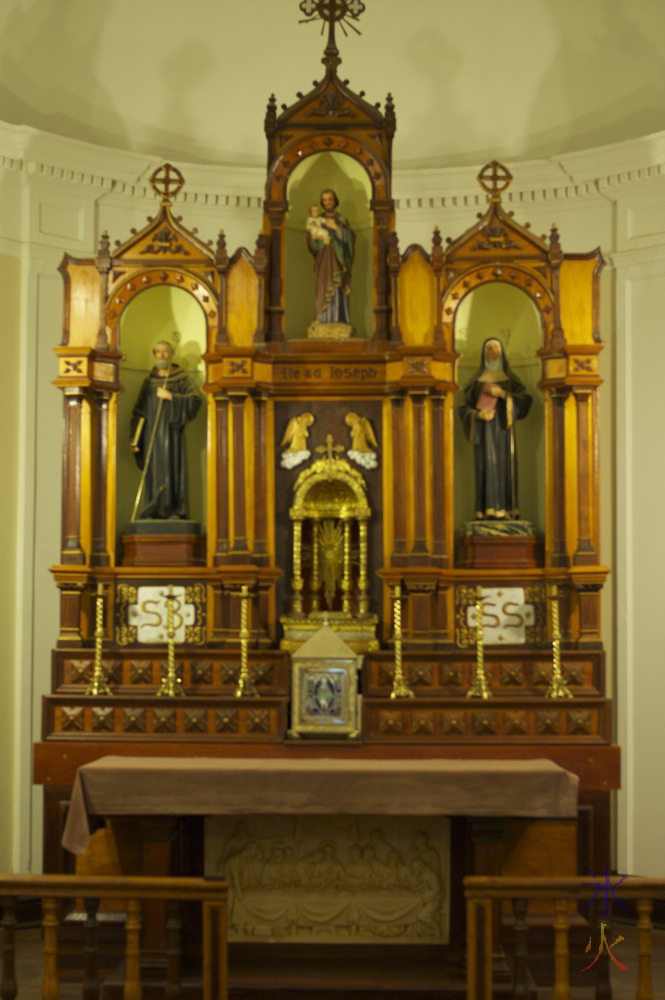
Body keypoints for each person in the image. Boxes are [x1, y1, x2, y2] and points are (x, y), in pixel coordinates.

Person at [459, 338, 532, 520]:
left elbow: (525, 401)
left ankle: (507, 510)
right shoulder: (476, 382)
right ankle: (485, 510)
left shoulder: (510, 379)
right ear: (485, 353)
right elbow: (463, 408)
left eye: (496, 347)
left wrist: (503, 394)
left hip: (504, 434)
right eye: (489, 348)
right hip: (484, 435)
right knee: (486, 465)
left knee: (504, 466)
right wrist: (478, 415)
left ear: (501, 352)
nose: (493, 351)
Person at [130, 340, 202, 519]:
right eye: (158, 352)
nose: (162, 355)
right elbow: (139, 412)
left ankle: (174, 509)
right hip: (151, 437)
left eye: (166, 352)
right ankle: (154, 509)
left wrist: (171, 396)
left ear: (171, 354)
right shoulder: (149, 382)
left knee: (172, 470)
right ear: (154, 355)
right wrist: (135, 439)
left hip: (172, 435)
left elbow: (195, 400)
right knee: (154, 472)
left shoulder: (181, 378)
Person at [307, 188, 354, 330]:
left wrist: (338, 229)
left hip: (339, 260)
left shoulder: (341, 220)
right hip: (323, 261)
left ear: (335, 201)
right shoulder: (317, 220)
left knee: (338, 287)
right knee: (323, 288)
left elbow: (351, 239)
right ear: (322, 202)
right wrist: (317, 240)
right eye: (325, 200)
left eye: (330, 199)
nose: (328, 202)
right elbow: (311, 243)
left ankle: (340, 319)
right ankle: (322, 319)